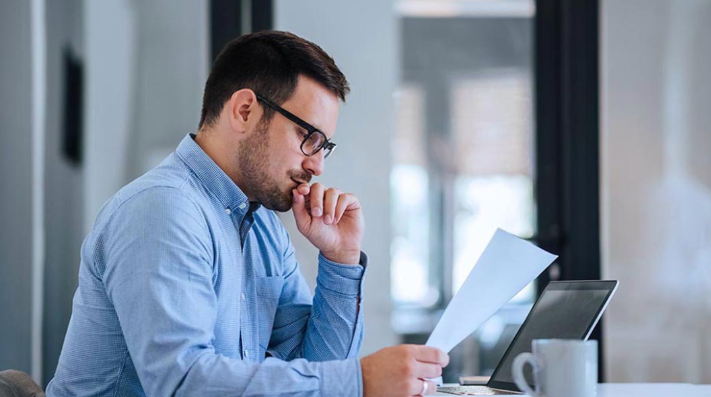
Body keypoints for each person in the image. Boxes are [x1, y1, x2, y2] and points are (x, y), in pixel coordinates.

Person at [46, 31, 447, 397]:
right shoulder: (162, 210)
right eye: (309, 138)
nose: (317, 166)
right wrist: (360, 382)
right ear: (243, 111)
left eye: (325, 147)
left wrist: (340, 260)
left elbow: (316, 369)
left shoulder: (263, 229)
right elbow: (181, 384)